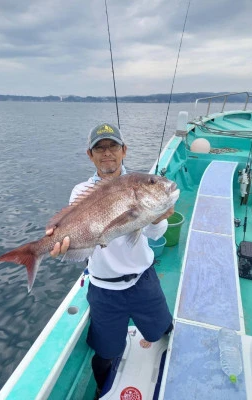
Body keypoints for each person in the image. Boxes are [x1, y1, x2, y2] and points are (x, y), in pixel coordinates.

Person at [46, 123, 174, 399]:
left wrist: (157, 217)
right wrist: (61, 246)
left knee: (163, 330)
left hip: (144, 280)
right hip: (104, 290)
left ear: (124, 151)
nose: (107, 154)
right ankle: (100, 390)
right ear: (90, 155)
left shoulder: (140, 183)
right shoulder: (81, 191)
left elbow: (154, 233)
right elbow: (80, 239)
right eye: (99, 149)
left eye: (113, 146)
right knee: (106, 353)